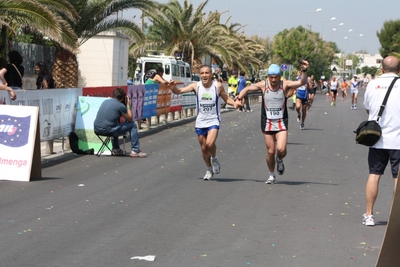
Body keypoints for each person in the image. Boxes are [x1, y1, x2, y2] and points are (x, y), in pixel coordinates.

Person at [235, 61, 309, 184]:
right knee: (270, 151)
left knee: (281, 149)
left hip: (281, 122)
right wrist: (238, 98)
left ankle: (279, 159)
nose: (273, 80)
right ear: (268, 77)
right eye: (271, 77)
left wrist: (304, 71)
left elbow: (301, 82)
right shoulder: (264, 85)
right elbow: (247, 88)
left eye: (276, 77)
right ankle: (271, 174)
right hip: (267, 122)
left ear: (279, 77)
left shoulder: (284, 84)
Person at [168, 65, 239, 180]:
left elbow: (226, 99)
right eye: (202, 73)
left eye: (207, 73)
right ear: (199, 75)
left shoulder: (218, 86)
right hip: (200, 121)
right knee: (204, 148)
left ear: (211, 74)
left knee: (210, 144)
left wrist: (235, 103)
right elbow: (178, 91)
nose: (204, 75)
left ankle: (214, 159)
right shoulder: (196, 86)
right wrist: (172, 88)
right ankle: (209, 169)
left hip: (213, 120)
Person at [362, 56, 400, 226]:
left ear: (382, 69)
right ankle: (396, 218)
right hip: (398, 141)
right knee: (397, 179)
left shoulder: (372, 84)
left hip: (377, 140)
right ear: (399, 70)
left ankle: (369, 215)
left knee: (374, 175)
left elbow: (368, 109)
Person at [93, 87, 147, 158]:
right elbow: (130, 118)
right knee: (132, 125)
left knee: (115, 124)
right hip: (109, 131)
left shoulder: (105, 101)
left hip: (96, 129)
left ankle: (116, 149)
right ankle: (135, 150)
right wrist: (128, 105)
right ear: (123, 98)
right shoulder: (120, 106)